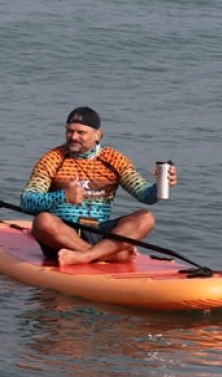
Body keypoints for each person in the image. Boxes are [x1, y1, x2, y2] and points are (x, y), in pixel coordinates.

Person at [21, 106, 178, 266]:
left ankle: (86, 256)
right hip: (63, 234)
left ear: (98, 135)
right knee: (42, 221)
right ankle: (107, 255)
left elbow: (145, 195)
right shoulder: (52, 159)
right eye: (69, 131)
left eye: (81, 132)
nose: (73, 137)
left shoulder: (115, 160)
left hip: (98, 230)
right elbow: (27, 201)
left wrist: (160, 185)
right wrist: (63, 196)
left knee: (146, 218)